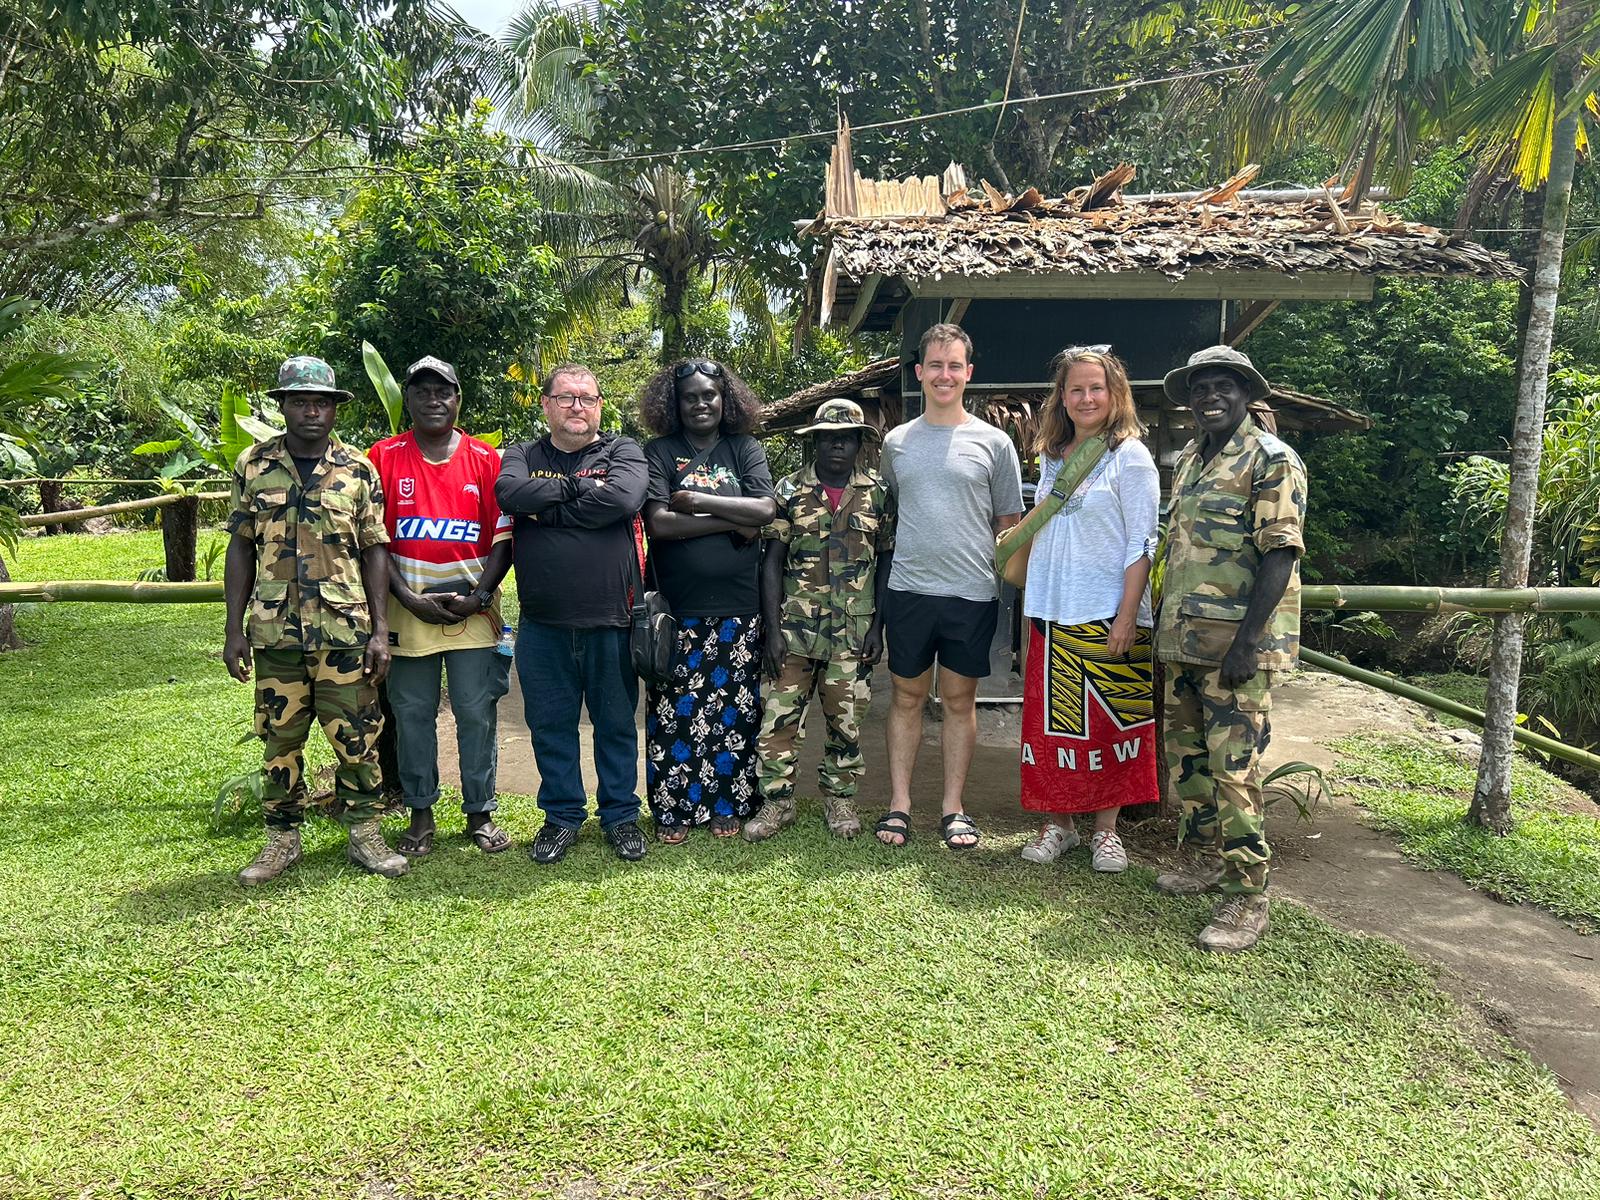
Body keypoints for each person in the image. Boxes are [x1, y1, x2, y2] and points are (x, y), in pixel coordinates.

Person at [224, 356, 406, 884]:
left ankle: (366, 837)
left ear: (334, 409)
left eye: (321, 402)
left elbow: (375, 550)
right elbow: (240, 546)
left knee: (357, 736)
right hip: (276, 630)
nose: (311, 411)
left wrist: (379, 631)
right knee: (280, 739)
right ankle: (281, 841)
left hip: (343, 629)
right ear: (282, 406)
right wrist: (234, 629)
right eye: (299, 401)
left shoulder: (357, 470)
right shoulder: (253, 465)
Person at [1153, 345, 1308, 953]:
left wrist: (1247, 643)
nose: (1209, 396)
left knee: (1234, 769)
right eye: (1200, 387)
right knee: (1188, 760)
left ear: (1246, 394)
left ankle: (1248, 897)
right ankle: (1202, 861)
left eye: (1223, 386)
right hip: (1186, 640)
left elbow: (1281, 554)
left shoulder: (1271, 459)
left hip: (1235, 649)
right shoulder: (1191, 458)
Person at [875, 323, 1023, 850]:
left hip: (972, 592)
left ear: (968, 373)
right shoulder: (896, 444)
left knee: (960, 701)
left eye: (954, 365)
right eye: (935, 365)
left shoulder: (994, 443)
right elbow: (889, 514)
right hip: (909, 588)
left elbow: (1009, 523)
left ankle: (953, 808)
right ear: (919, 372)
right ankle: (898, 805)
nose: (944, 374)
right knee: (907, 695)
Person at [495, 364, 650, 864]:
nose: (577, 406)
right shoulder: (522, 454)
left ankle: (621, 816)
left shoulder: (622, 451)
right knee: (550, 724)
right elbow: (511, 495)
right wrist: (583, 493)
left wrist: (548, 504)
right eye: (566, 398)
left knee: (616, 723)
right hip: (543, 624)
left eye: (587, 398)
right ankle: (561, 816)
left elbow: (625, 498)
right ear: (546, 405)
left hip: (612, 619)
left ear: (600, 405)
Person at [1017, 347, 1159, 873]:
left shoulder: (1131, 456)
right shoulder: (1054, 456)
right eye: (1075, 389)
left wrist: (1127, 615)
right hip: (1052, 606)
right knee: (1055, 725)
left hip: (1107, 609)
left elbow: (1143, 541)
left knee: (1111, 723)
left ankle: (1106, 832)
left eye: (1096, 387)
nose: (1086, 398)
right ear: (1062, 397)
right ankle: (1060, 826)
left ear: (1115, 392)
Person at [368, 355, 514, 858]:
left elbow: (503, 538)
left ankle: (480, 812)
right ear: (406, 399)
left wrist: (478, 597)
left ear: (458, 398)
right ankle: (420, 811)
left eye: (443, 391)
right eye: (422, 391)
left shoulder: (485, 459)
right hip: (408, 610)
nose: (434, 400)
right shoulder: (383, 457)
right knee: (412, 714)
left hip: (473, 613)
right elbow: (375, 543)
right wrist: (408, 599)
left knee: (476, 711)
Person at [743, 398, 895, 842]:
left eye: (845, 440)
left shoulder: (878, 494)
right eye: (828, 439)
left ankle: (840, 800)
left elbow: (885, 561)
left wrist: (878, 627)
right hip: (794, 631)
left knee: (845, 721)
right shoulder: (789, 491)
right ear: (815, 444)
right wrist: (771, 631)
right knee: (779, 719)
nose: (836, 448)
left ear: (859, 444)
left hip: (853, 630)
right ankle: (776, 802)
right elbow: (770, 563)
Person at [638, 358, 776, 842]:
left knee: (734, 712)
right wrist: (734, 520)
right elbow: (658, 524)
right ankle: (674, 808)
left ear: (726, 399)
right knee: (675, 712)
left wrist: (696, 501)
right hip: (677, 610)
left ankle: (727, 805)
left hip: (739, 608)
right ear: (674, 405)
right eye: (690, 396)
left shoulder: (745, 449)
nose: (700, 403)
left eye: (709, 395)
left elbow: (764, 509)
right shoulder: (659, 452)